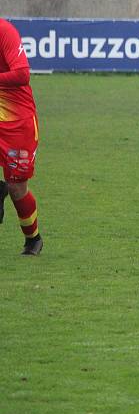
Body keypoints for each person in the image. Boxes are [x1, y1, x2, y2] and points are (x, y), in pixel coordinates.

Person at [0, 18, 43, 256]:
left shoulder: (5, 31)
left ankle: (33, 239)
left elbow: (22, 74)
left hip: (18, 123)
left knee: (17, 188)